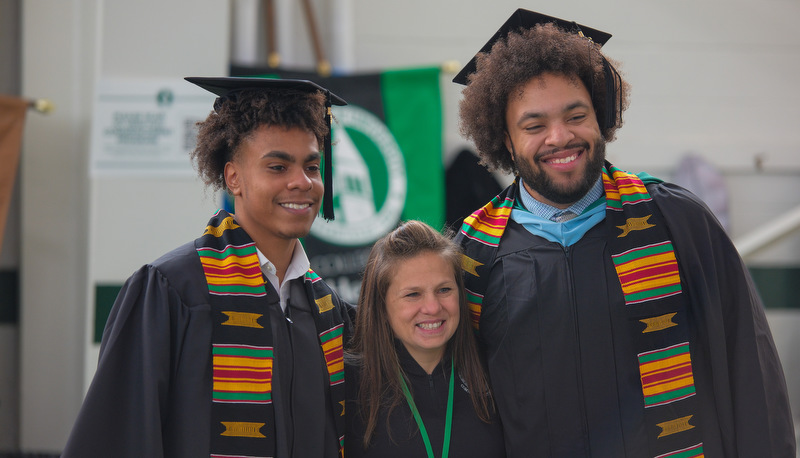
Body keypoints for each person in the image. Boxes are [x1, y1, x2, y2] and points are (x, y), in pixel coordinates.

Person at [452, 9, 795, 457]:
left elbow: (750, 368)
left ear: (600, 116)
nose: (560, 137)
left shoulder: (677, 221)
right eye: (534, 125)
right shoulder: (474, 253)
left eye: (576, 115)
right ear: (506, 140)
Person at [62, 77, 353, 457]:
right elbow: (119, 436)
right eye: (278, 167)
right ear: (234, 177)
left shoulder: (326, 309)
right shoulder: (172, 290)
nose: (302, 182)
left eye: (312, 167)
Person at [344, 220, 505, 457]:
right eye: (413, 294)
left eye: (444, 290)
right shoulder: (345, 383)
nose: (432, 307)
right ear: (381, 306)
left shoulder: (494, 370)